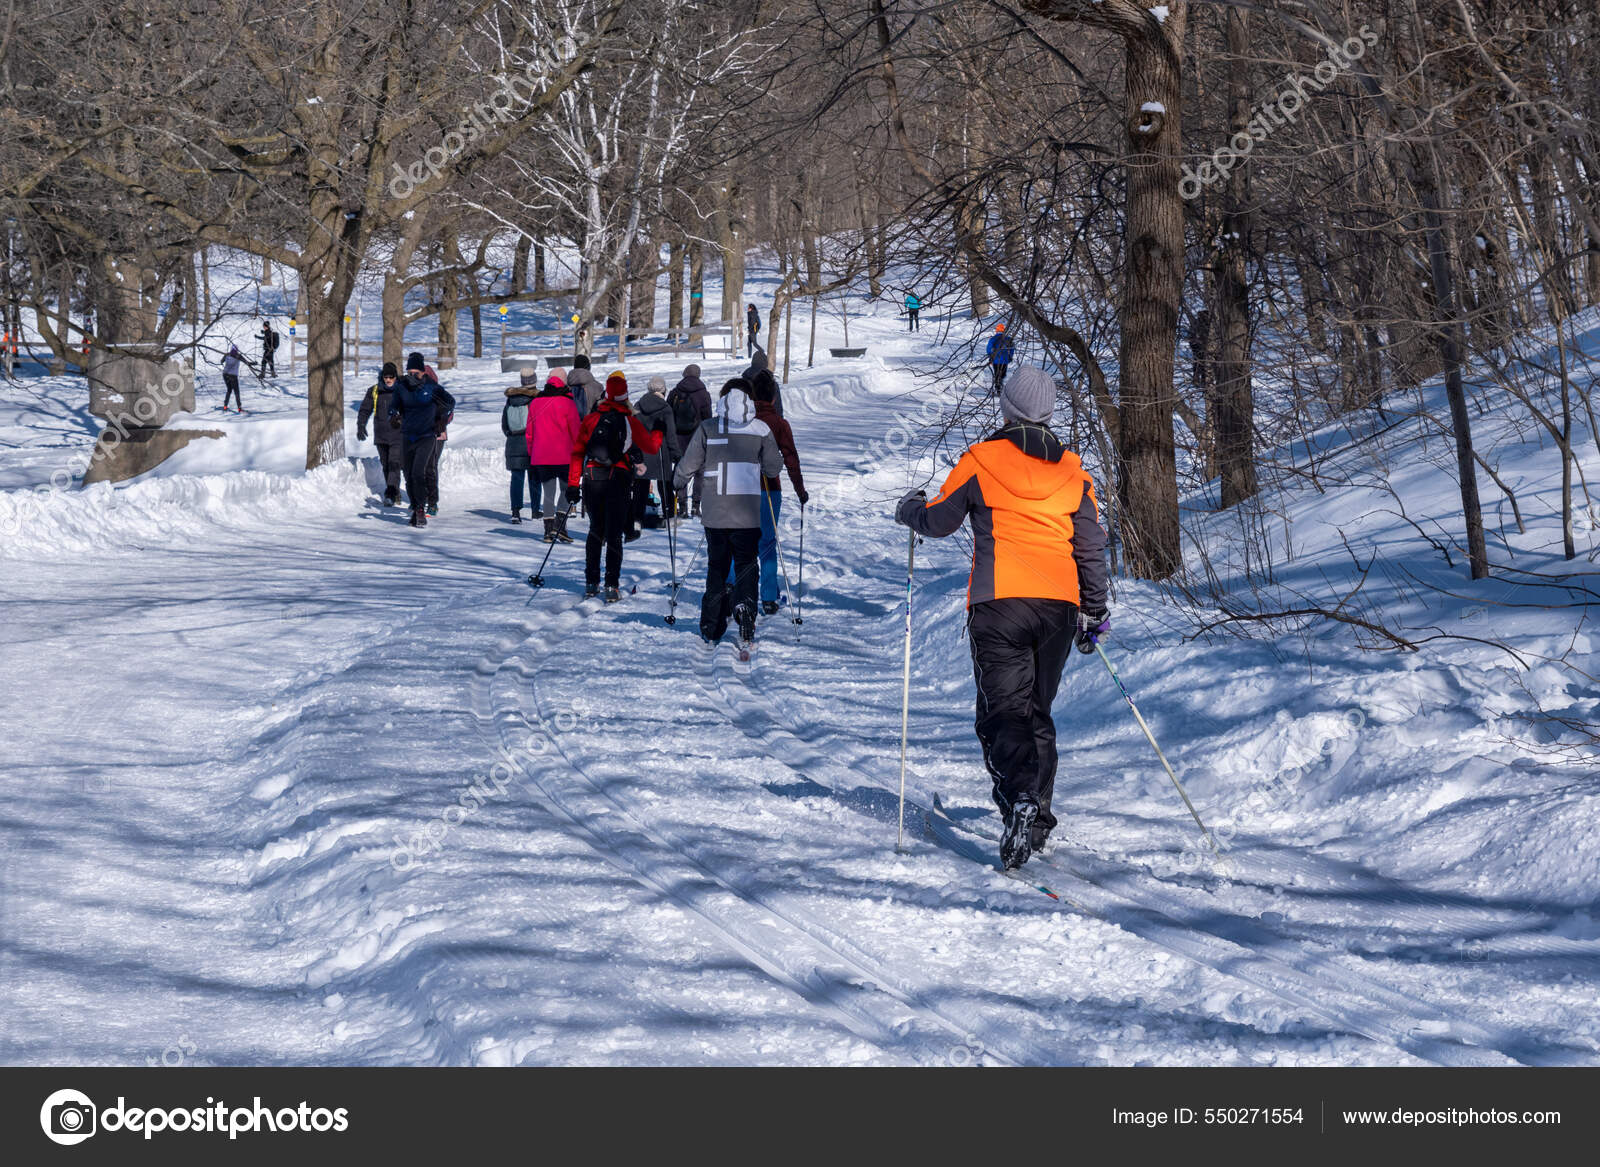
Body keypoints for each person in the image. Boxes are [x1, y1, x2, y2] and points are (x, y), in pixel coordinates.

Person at [894, 365, 1109, 872]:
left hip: (999, 603)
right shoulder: (1074, 472)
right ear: (1049, 414)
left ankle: (1020, 800)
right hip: (1057, 608)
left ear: (1007, 409)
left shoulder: (981, 460)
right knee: (1036, 710)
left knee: (1003, 713)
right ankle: (1036, 821)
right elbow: (1091, 544)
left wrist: (910, 510)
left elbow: (939, 519)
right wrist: (1094, 609)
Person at [674, 378, 781, 649]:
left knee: (717, 566)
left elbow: (689, 464)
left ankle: (712, 625)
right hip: (747, 512)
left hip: (715, 511)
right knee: (746, 563)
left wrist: (677, 483)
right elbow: (773, 468)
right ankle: (745, 606)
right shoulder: (761, 429)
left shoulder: (708, 428)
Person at [569, 372, 662, 602]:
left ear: (607, 393)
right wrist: (659, 431)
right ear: (625, 394)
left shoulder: (591, 419)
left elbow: (577, 452)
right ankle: (612, 585)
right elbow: (650, 447)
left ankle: (591, 582)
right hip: (618, 479)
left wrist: (573, 484)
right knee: (614, 534)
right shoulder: (629, 420)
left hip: (592, 477)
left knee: (595, 530)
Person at [749, 376, 807, 615]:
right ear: (773, 397)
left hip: (742, 489)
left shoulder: (746, 422)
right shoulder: (780, 424)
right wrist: (800, 490)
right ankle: (769, 597)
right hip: (770, 489)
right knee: (767, 542)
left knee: (741, 541)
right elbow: (791, 458)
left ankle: (733, 587)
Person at [388, 352, 455, 528]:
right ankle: (416, 504)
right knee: (409, 473)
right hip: (407, 435)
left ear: (422, 372)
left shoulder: (431, 387)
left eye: (415, 372)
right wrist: (393, 415)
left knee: (420, 471)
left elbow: (450, 403)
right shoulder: (402, 386)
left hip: (426, 435)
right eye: (409, 371)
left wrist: (441, 418)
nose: (411, 376)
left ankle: (420, 509)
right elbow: (394, 404)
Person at [527, 370, 581, 544]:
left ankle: (548, 531)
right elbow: (576, 432)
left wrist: (532, 452)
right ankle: (560, 525)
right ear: (564, 383)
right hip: (564, 455)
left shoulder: (535, 403)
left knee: (548, 493)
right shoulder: (567, 403)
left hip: (542, 456)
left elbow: (529, 433)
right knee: (566, 490)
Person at [634, 374, 681, 534]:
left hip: (642, 452)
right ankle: (669, 518)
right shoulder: (665, 408)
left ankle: (637, 520)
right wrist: (676, 454)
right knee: (665, 486)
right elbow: (671, 434)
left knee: (640, 487)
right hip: (661, 452)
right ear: (664, 390)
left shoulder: (638, 406)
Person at [668, 363, 713, 517]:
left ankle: (681, 507)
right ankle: (696, 506)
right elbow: (708, 418)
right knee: (700, 471)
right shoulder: (704, 394)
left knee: (681, 470)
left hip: (678, 438)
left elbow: (669, 415)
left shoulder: (675, 392)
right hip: (698, 437)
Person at [357, 361, 404, 505]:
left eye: (391, 377)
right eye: (386, 377)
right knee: (386, 465)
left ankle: (390, 494)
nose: (388, 380)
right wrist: (361, 425)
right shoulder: (375, 390)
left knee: (394, 463)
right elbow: (365, 409)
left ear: (396, 377)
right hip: (381, 435)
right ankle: (394, 492)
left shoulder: (403, 390)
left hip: (398, 434)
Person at [502, 370, 538, 523]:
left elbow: (504, 425)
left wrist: (511, 435)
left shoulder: (510, 400)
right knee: (534, 477)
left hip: (513, 443)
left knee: (516, 478)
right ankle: (536, 510)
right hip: (531, 444)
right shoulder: (535, 399)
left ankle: (515, 512)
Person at [742, 349, 783, 418]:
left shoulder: (742, 383)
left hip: (745, 423)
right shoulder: (772, 384)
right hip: (768, 422)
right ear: (765, 364)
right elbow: (777, 409)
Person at [985, 323, 1014, 393]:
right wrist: (1010, 356)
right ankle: (1000, 384)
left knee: (997, 373)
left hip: (995, 360)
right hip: (1004, 360)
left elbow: (988, 348)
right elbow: (1012, 348)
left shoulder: (993, 339)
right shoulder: (1008, 339)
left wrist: (990, 356)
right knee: (1003, 374)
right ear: (1004, 330)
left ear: (996, 330)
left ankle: (998, 387)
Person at [220, 344, 245, 413]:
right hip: (233, 376)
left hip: (225, 374)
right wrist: (253, 363)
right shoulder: (238, 356)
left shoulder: (227, 354)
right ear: (237, 350)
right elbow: (247, 363)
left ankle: (225, 406)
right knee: (236, 392)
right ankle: (239, 408)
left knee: (229, 390)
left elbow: (221, 361)